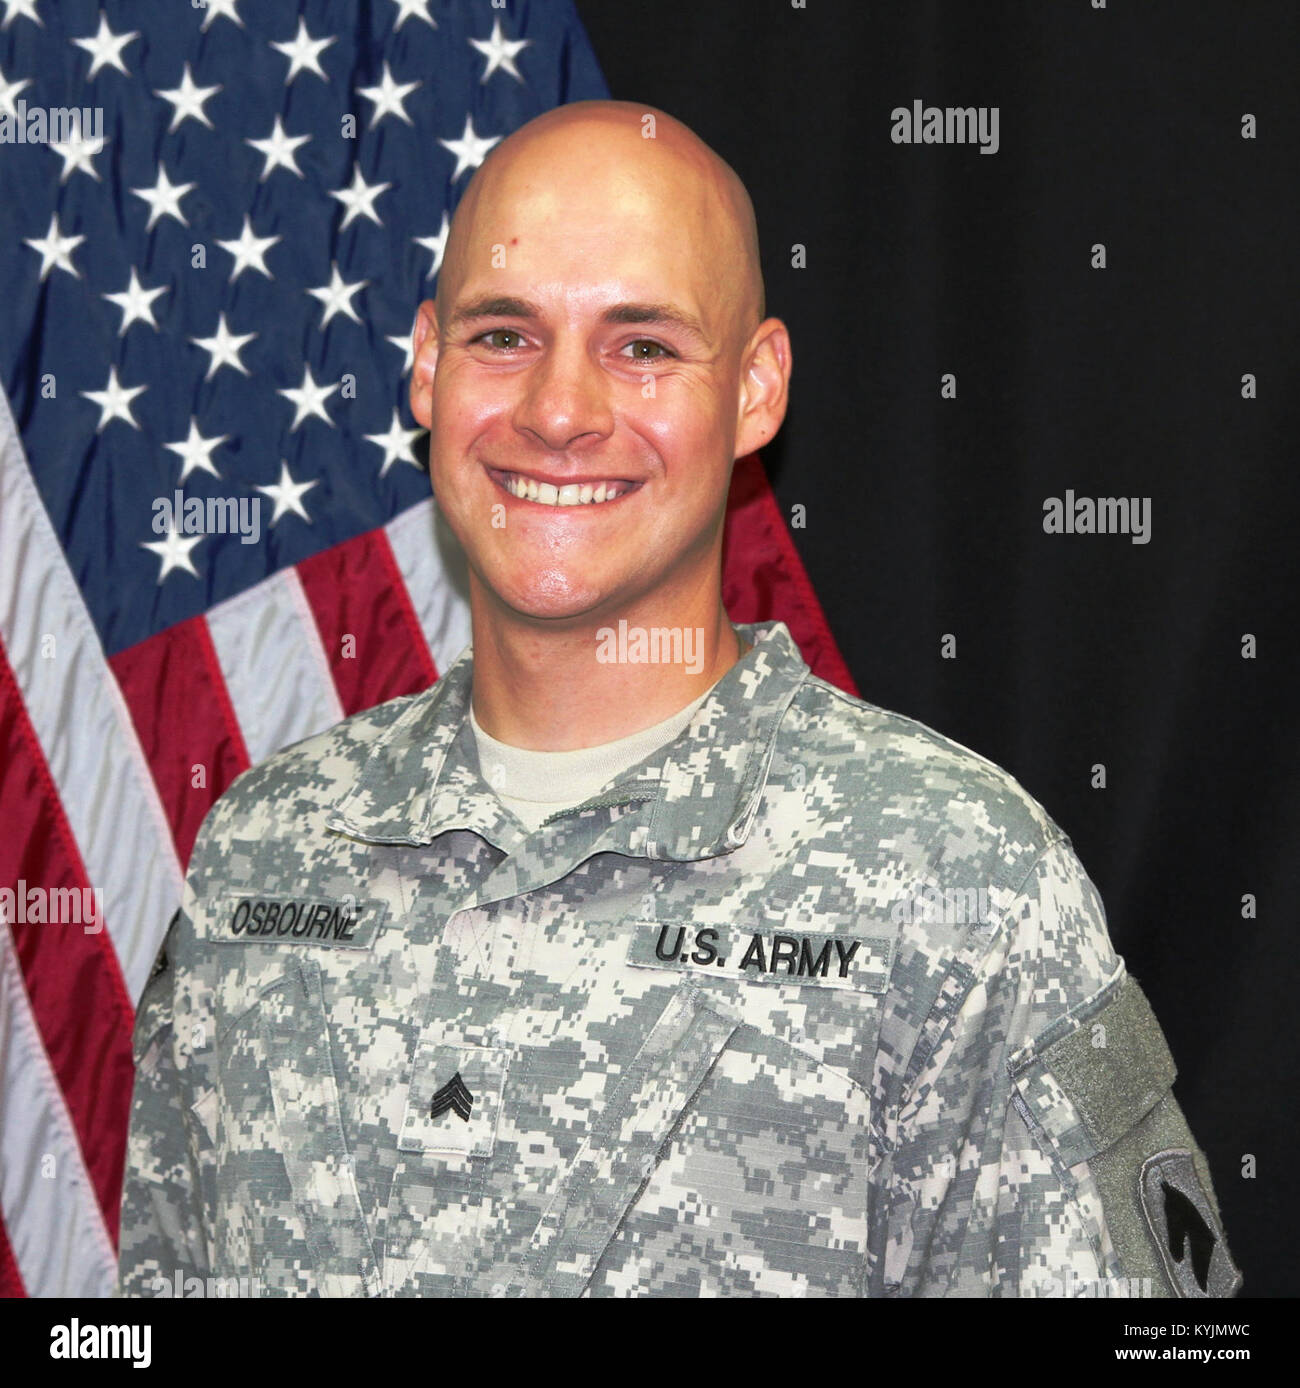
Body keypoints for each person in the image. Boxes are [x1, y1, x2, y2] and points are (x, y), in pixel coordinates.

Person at [117, 99, 1239, 1298]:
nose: (557, 411)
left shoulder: (957, 880)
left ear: (755, 388)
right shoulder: (266, 852)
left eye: (641, 344)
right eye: (504, 335)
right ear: (427, 367)